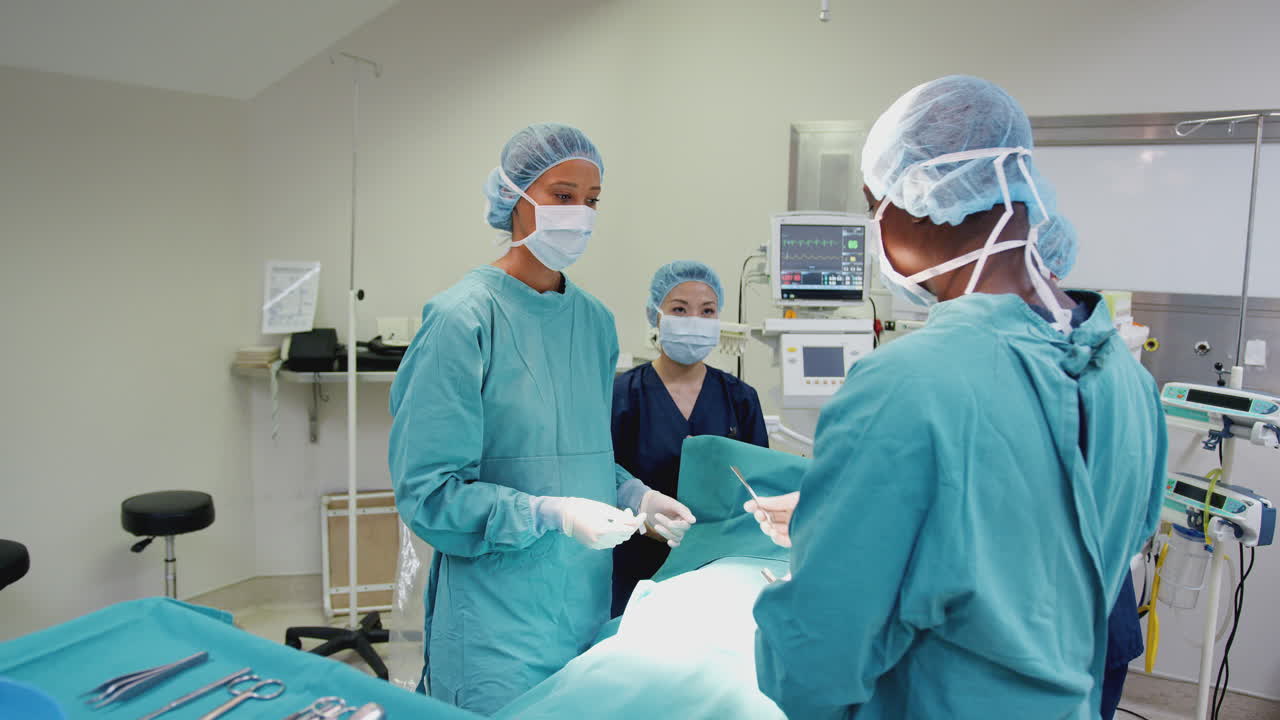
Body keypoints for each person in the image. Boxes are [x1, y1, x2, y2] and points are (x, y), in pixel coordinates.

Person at [749, 76, 1167, 719]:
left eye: (873, 205)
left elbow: (818, 656)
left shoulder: (906, 383)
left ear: (922, 200)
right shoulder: (1130, 384)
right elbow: (1045, 542)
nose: (874, 227)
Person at [388, 122, 692, 715]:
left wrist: (638, 497)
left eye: (591, 199)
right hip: (494, 625)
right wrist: (546, 514)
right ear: (515, 198)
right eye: (562, 194)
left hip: (583, 604)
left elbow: (576, 458)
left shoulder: (595, 323)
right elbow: (428, 494)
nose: (580, 212)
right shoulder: (462, 320)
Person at [610, 261, 767, 616]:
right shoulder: (622, 395)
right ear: (656, 315)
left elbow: (758, 486)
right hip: (635, 568)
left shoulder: (740, 398)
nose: (694, 319)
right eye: (680, 309)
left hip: (719, 569)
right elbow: (600, 477)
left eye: (707, 311)